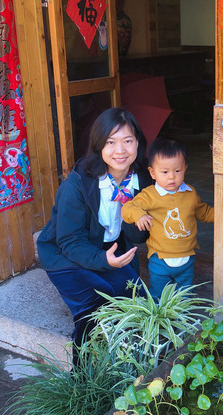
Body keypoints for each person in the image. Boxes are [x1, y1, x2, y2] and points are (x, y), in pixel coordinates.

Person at [36, 107, 151, 364]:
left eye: (127, 141)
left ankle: (133, 368)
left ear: (137, 143)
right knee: (94, 308)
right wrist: (103, 260)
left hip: (110, 248)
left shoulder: (141, 181)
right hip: (65, 255)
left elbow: (137, 237)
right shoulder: (77, 184)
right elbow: (69, 241)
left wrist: (132, 210)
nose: (120, 150)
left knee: (136, 301)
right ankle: (83, 378)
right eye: (111, 142)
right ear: (99, 145)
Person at [121, 138, 214, 299]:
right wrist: (139, 215)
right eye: (164, 172)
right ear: (152, 173)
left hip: (187, 257)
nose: (171, 177)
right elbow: (127, 208)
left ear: (185, 168)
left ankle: (182, 314)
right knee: (158, 295)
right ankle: (158, 313)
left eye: (177, 171)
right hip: (160, 258)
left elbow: (203, 212)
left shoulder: (190, 193)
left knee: (184, 295)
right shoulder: (150, 195)